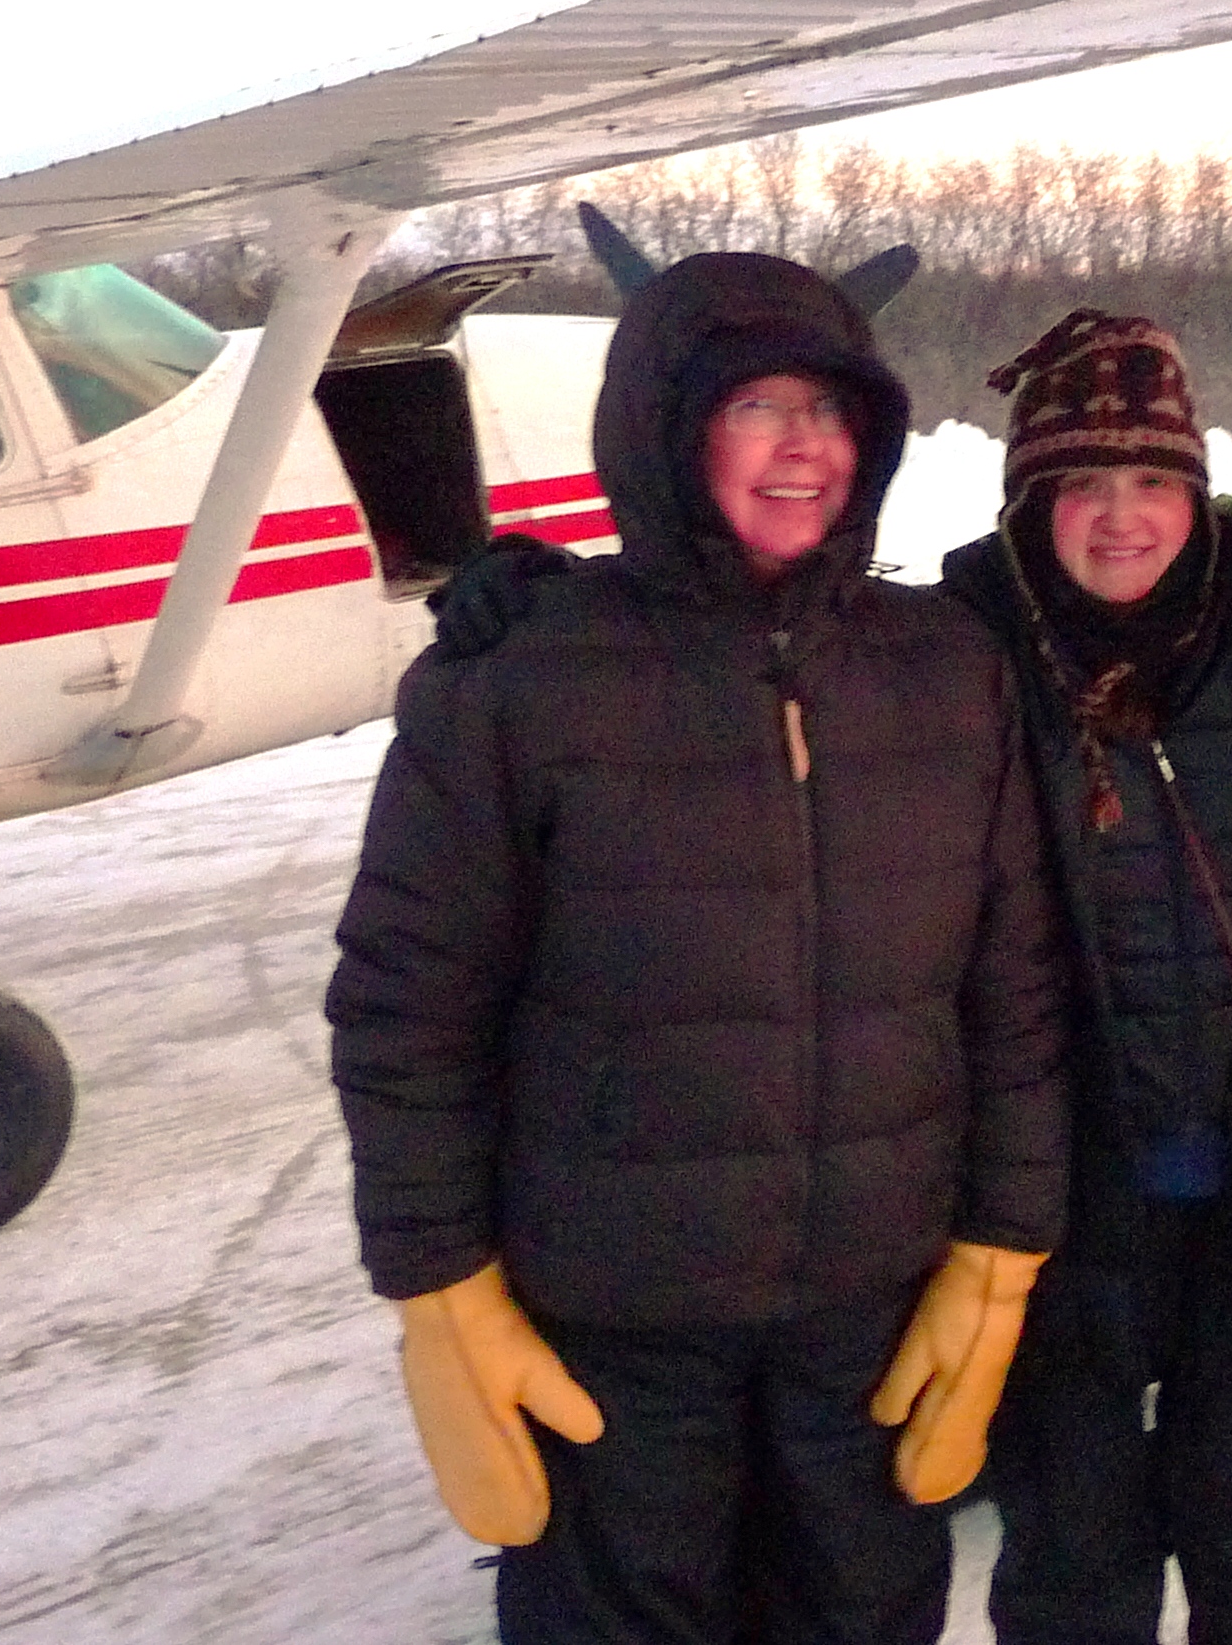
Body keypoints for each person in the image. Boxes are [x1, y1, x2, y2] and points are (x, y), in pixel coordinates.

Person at [326, 244, 1069, 1645]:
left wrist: (996, 1252)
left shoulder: (945, 669)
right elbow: (405, 1011)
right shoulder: (519, 680)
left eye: (830, 409)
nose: (803, 447)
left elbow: (1012, 995)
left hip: (874, 1306)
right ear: (665, 433)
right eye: (753, 407)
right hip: (614, 1316)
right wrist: (440, 1288)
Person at [940, 309, 1232, 1645]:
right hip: (1060, 1205)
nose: (1117, 518)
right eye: (1079, 483)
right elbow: (738, 651)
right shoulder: (954, 647)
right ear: (1028, 502)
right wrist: (546, 601)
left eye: (1148, 481)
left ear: (1195, 488)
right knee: (1070, 1563)